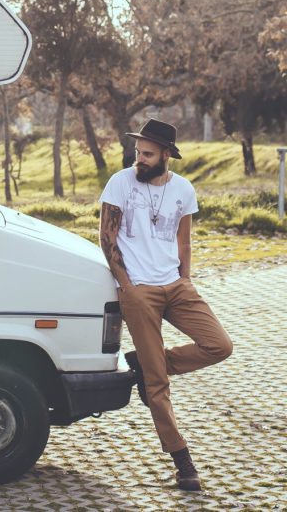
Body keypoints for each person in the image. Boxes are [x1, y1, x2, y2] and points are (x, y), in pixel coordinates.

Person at [98, 119, 233, 492]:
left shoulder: (183, 190)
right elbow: (106, 238)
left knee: (220, 345)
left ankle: (148, 361)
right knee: (157, 386)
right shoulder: (120, 183)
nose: (139, 159)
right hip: (139, 290)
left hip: (176, 285)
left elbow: (184, 241)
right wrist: (128, 286)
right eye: (138, 152)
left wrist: (184, 278)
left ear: (166, 157)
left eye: (147, 154)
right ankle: (183, 462)